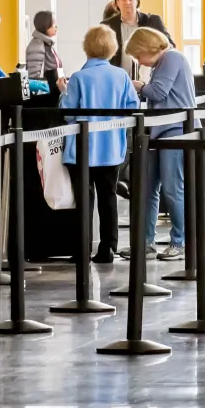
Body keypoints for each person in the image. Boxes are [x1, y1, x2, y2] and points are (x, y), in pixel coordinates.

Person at [60, 25, 139, 263]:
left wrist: (63, 91)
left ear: (87, 48)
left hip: (82, 150)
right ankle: (108, 248)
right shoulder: (121, 76)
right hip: (111, 148)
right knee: (108, 197)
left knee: (84, 200)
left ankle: (82, 249)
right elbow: (133, 107)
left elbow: (68, 114)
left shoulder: (79, 78)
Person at [127, 28, 195, 261]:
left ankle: (179, 242)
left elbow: (158, 92)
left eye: (138, 55)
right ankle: (146, 242)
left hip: (175, 131)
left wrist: (138, 86)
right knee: (149, 189)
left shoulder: (171, 58)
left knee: (172, 189)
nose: (139, 61)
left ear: (147, 47)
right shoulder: (164, 62)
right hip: (160, 131)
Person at [102, 0, 174, 72]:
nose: (127, 2)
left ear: (137, 1)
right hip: (117, 76)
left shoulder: (153, 21)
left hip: (149, 75)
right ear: (117, 3)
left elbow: (170, 46)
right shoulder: (107, 25)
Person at [25, 10, 67, 90]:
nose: (56, 26)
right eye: (53, 22)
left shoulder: (48, 44)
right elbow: (33, 78)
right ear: (45, 25)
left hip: (53, 91)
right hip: (46, 93)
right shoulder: (37, 46)